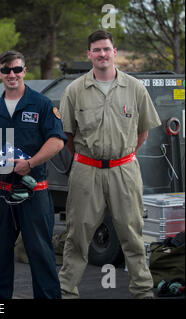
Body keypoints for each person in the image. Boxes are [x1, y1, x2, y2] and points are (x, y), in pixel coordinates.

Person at [58, 30, 161, 299]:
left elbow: (143, 133)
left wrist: (120, 157)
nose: (102, 54)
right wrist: (91, 159)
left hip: (124, 170)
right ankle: (66, 292)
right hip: (86, 170)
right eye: (97, 50)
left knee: (132, 236)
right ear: (88, 54)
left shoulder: (135, 88)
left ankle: (142, 292)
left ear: (114, 52)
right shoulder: (74, 90)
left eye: (107, 49)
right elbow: (68, 136)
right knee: (77, 236)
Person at [0, 50, 66, 299]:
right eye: (6, 70)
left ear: (24, 71)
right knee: (0, 255)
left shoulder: (41, 104)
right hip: (0, 192)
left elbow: (57, 141)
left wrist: (31, 162)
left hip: (33, 192)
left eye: (17, 69)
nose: (12, 75)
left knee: (40, 253)